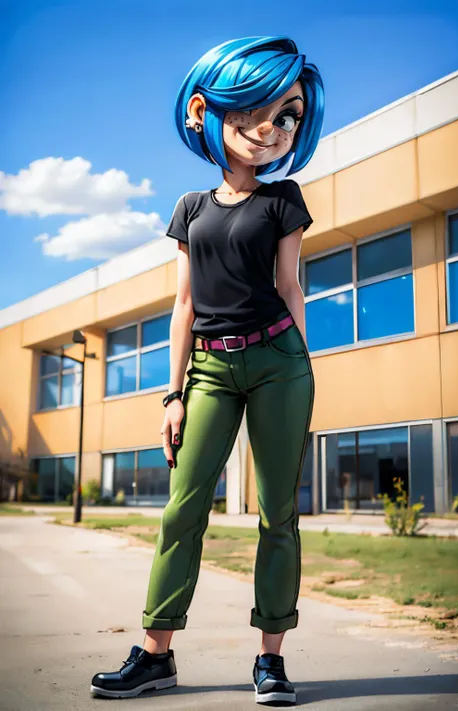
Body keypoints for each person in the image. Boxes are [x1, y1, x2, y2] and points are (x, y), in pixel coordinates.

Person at [90, 35, 324, 705]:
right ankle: (156, 654)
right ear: (207, 108)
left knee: (279, 513)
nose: (272, 128)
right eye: (259, 108)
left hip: (280, 362)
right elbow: (184, 304)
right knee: (183, 507)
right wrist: (173, 393)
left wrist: (302, 371)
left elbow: (291, 287)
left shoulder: (284, 200)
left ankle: (271, 660)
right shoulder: (190, 208)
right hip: (212, 370)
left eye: (289, 116)